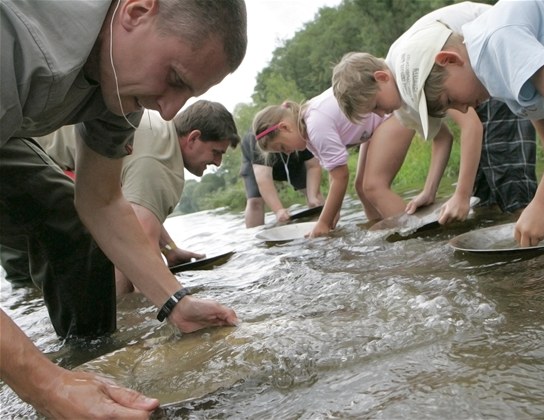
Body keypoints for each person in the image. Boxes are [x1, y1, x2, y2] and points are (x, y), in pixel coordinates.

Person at [0, 0, 247, 417]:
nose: (169, 110)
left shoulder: (121, 80)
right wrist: (44, 385)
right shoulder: (17, 44)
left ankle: (85, 361)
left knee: (65, 215)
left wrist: (174, 302)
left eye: (188, 94)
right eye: (174, 79)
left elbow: (101, 199)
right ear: (135, 12)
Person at [347, 0, 544, 246]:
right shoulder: (493, 78)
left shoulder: (497, 41)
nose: (462, 108)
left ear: (449, 60)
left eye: (449, 100)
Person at [0, 100, 240, 294]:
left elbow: (134, 216)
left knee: (30, 288)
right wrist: (134, 319)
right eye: (216, 152)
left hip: (20, 136)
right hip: (17, 149)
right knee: (88, 250)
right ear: (193, 137)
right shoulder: (162, 161)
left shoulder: (157, 138)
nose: (217, 163)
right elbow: (134, 245)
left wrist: (169, 250)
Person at [331, 2, 540, 224]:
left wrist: (462, 194)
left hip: (497, 52)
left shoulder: (408, 75)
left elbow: (472, 126)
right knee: (484, 195)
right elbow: (443, 139)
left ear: (382, 78)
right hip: (472, 75)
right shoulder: (402, 99)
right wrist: (430, 190)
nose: (381, 115)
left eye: (376, 106)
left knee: (507, 176)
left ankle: (534, 237)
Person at [253, 89, 387, 237]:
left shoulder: (315, 126)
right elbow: (333, 173)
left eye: (282, 148)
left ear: (285, 127)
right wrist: (332, 212)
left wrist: (323, 222)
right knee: (361, 187)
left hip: (386, 115)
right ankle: (381, 235)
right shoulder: (309, 138)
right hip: (374, 126)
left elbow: (341, 176)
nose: (288, 153)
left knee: (373, 186)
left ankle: (409, 234)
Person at [240, 130, 324, 228]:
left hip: (293, 157)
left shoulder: (300, 132)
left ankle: (325, 229)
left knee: (315, 198)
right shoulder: (259, 142)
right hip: (257, 165)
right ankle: (257, 240)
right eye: (281, 148)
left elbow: (313, 166)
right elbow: (264, 178)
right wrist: (278, 210)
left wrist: (312, 196)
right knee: (255, 202)